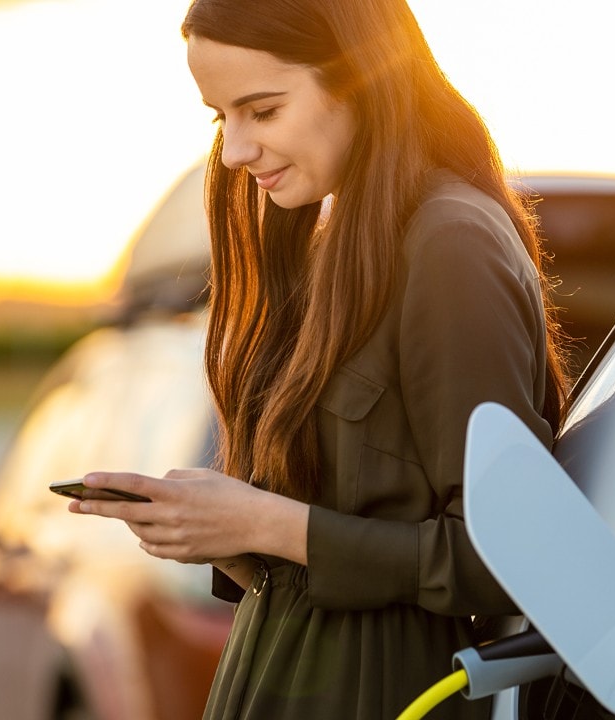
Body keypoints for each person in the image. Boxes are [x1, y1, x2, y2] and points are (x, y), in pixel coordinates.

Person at [69, 0, 569, 716]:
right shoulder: (335, 241)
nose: (236, 151)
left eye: (262, 111)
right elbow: (336, 537)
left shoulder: (449, 246)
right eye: (221, 118)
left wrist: (263, 523)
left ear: (362, 79)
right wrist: (219, 531)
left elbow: (506, 561)